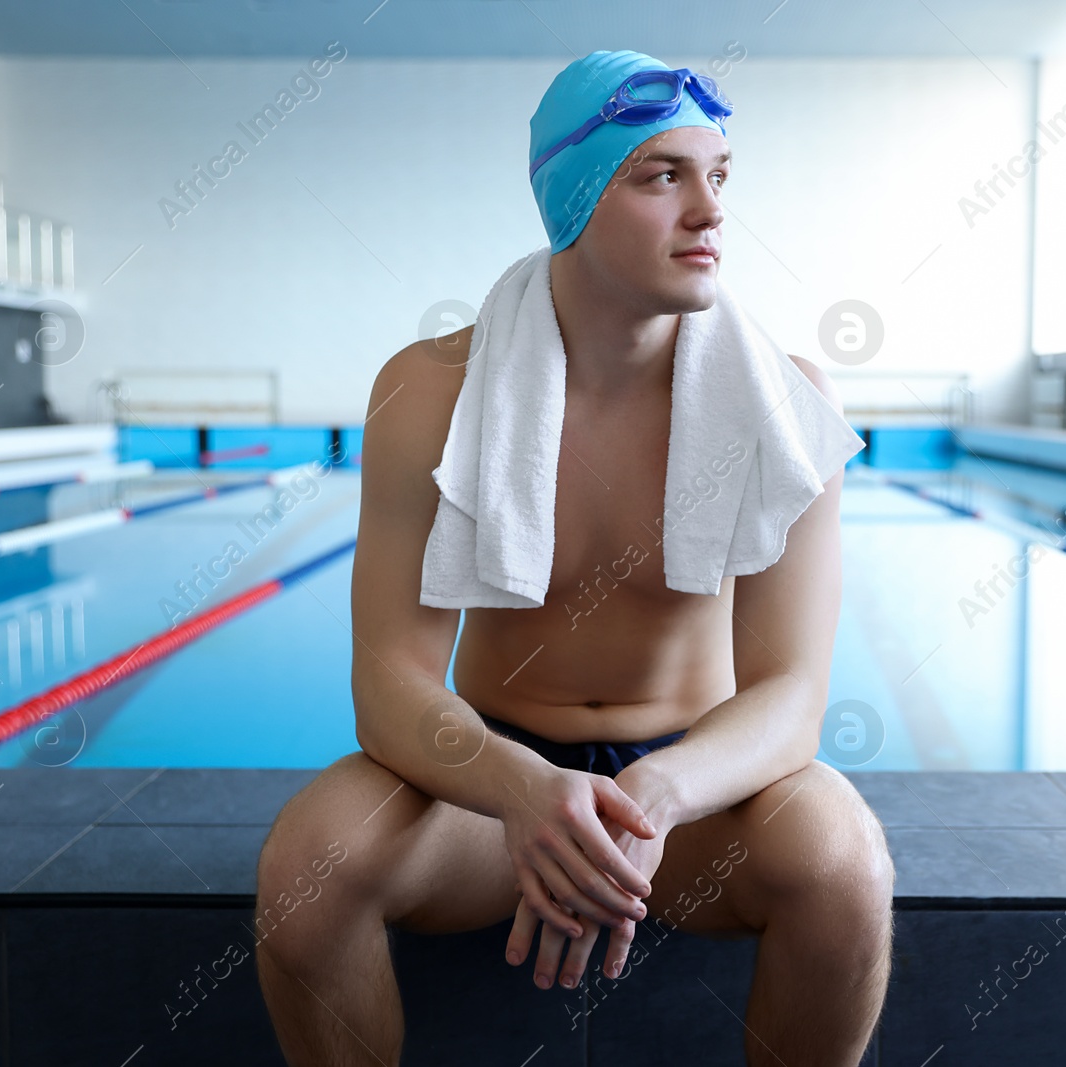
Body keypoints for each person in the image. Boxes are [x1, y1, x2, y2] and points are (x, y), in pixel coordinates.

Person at [254, 49, 894, 1067]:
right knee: (310, 859)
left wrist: (663, 790)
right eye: (661, 177)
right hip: (487, 792)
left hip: (695, 796)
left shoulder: (786, 404)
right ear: (574, 197)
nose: (710, 211)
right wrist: (517, 787)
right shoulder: (428, 393)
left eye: (718, 175)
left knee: (844, 860)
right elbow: (388, 683)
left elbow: (791, 694)